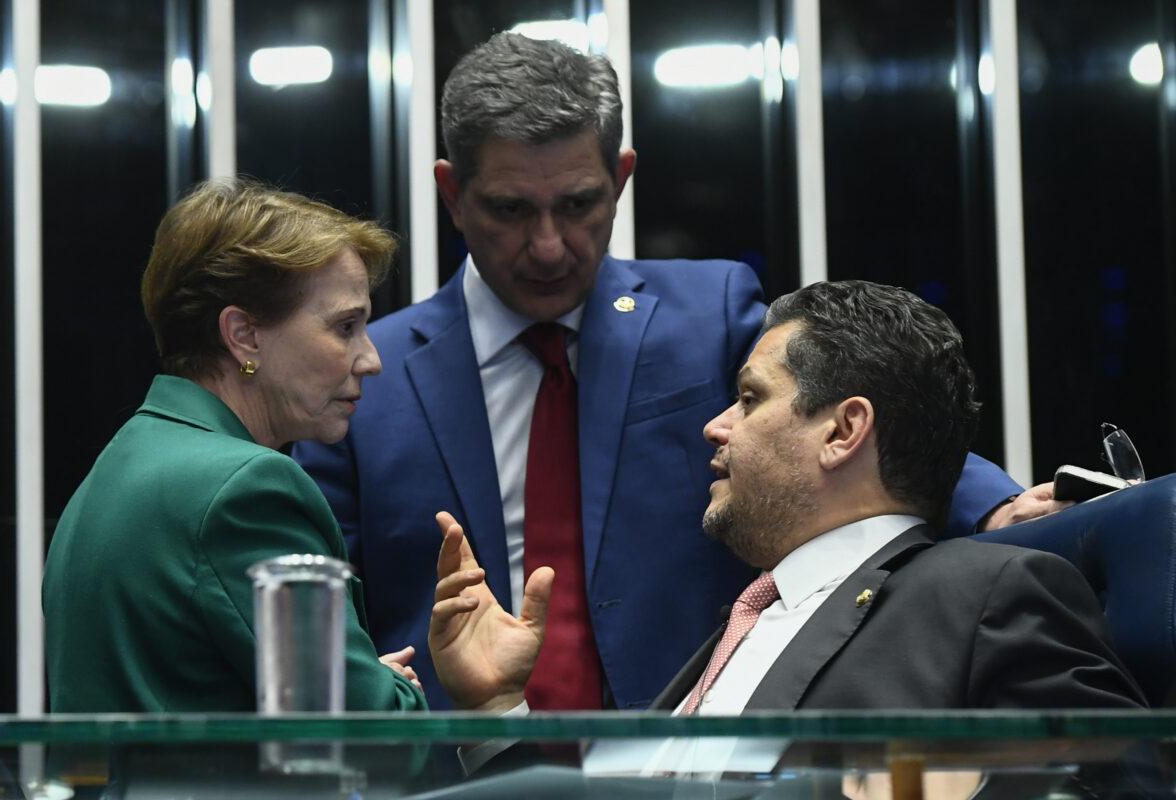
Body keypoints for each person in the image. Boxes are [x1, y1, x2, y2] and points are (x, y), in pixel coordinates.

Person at [293, 32, 1038, 712]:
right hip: (462, 763)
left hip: (684, 752)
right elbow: (321, 605)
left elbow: (840, 407)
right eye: (511, 210)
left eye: (578, 205)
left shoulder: (706, 314)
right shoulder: (369, 375)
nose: (549, 245)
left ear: (620, 179)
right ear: (453, 194)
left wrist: (992, 507)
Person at [429, 280, 1145, 716]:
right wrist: (497, 710)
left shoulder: (990, 593)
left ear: (843, 430)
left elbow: (1114, 784)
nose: (716, 427)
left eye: (749, 398)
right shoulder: (739, 626)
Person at [43, 178, 536, 713]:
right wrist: (409, 693)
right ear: (244, 336)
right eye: (345, 327)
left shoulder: (119, 464)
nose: (371, 359)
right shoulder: (246, 489)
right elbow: (369, 740)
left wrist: (364, 680)